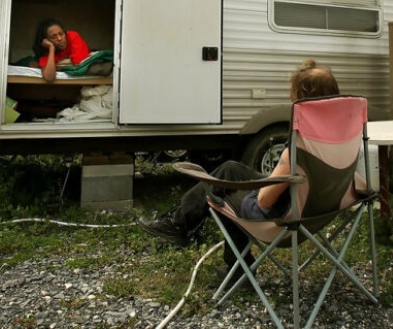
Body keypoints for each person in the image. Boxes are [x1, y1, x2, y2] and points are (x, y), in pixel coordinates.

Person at [137, 59, 340, 268]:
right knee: (230, 169)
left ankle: (239, 270)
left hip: (286, 216)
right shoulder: (340, 135)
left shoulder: (301, 144)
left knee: (220, 193)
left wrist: (261, 188)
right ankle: (178, 222)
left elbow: (265, 202)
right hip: (317, 210)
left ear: (299, 97)